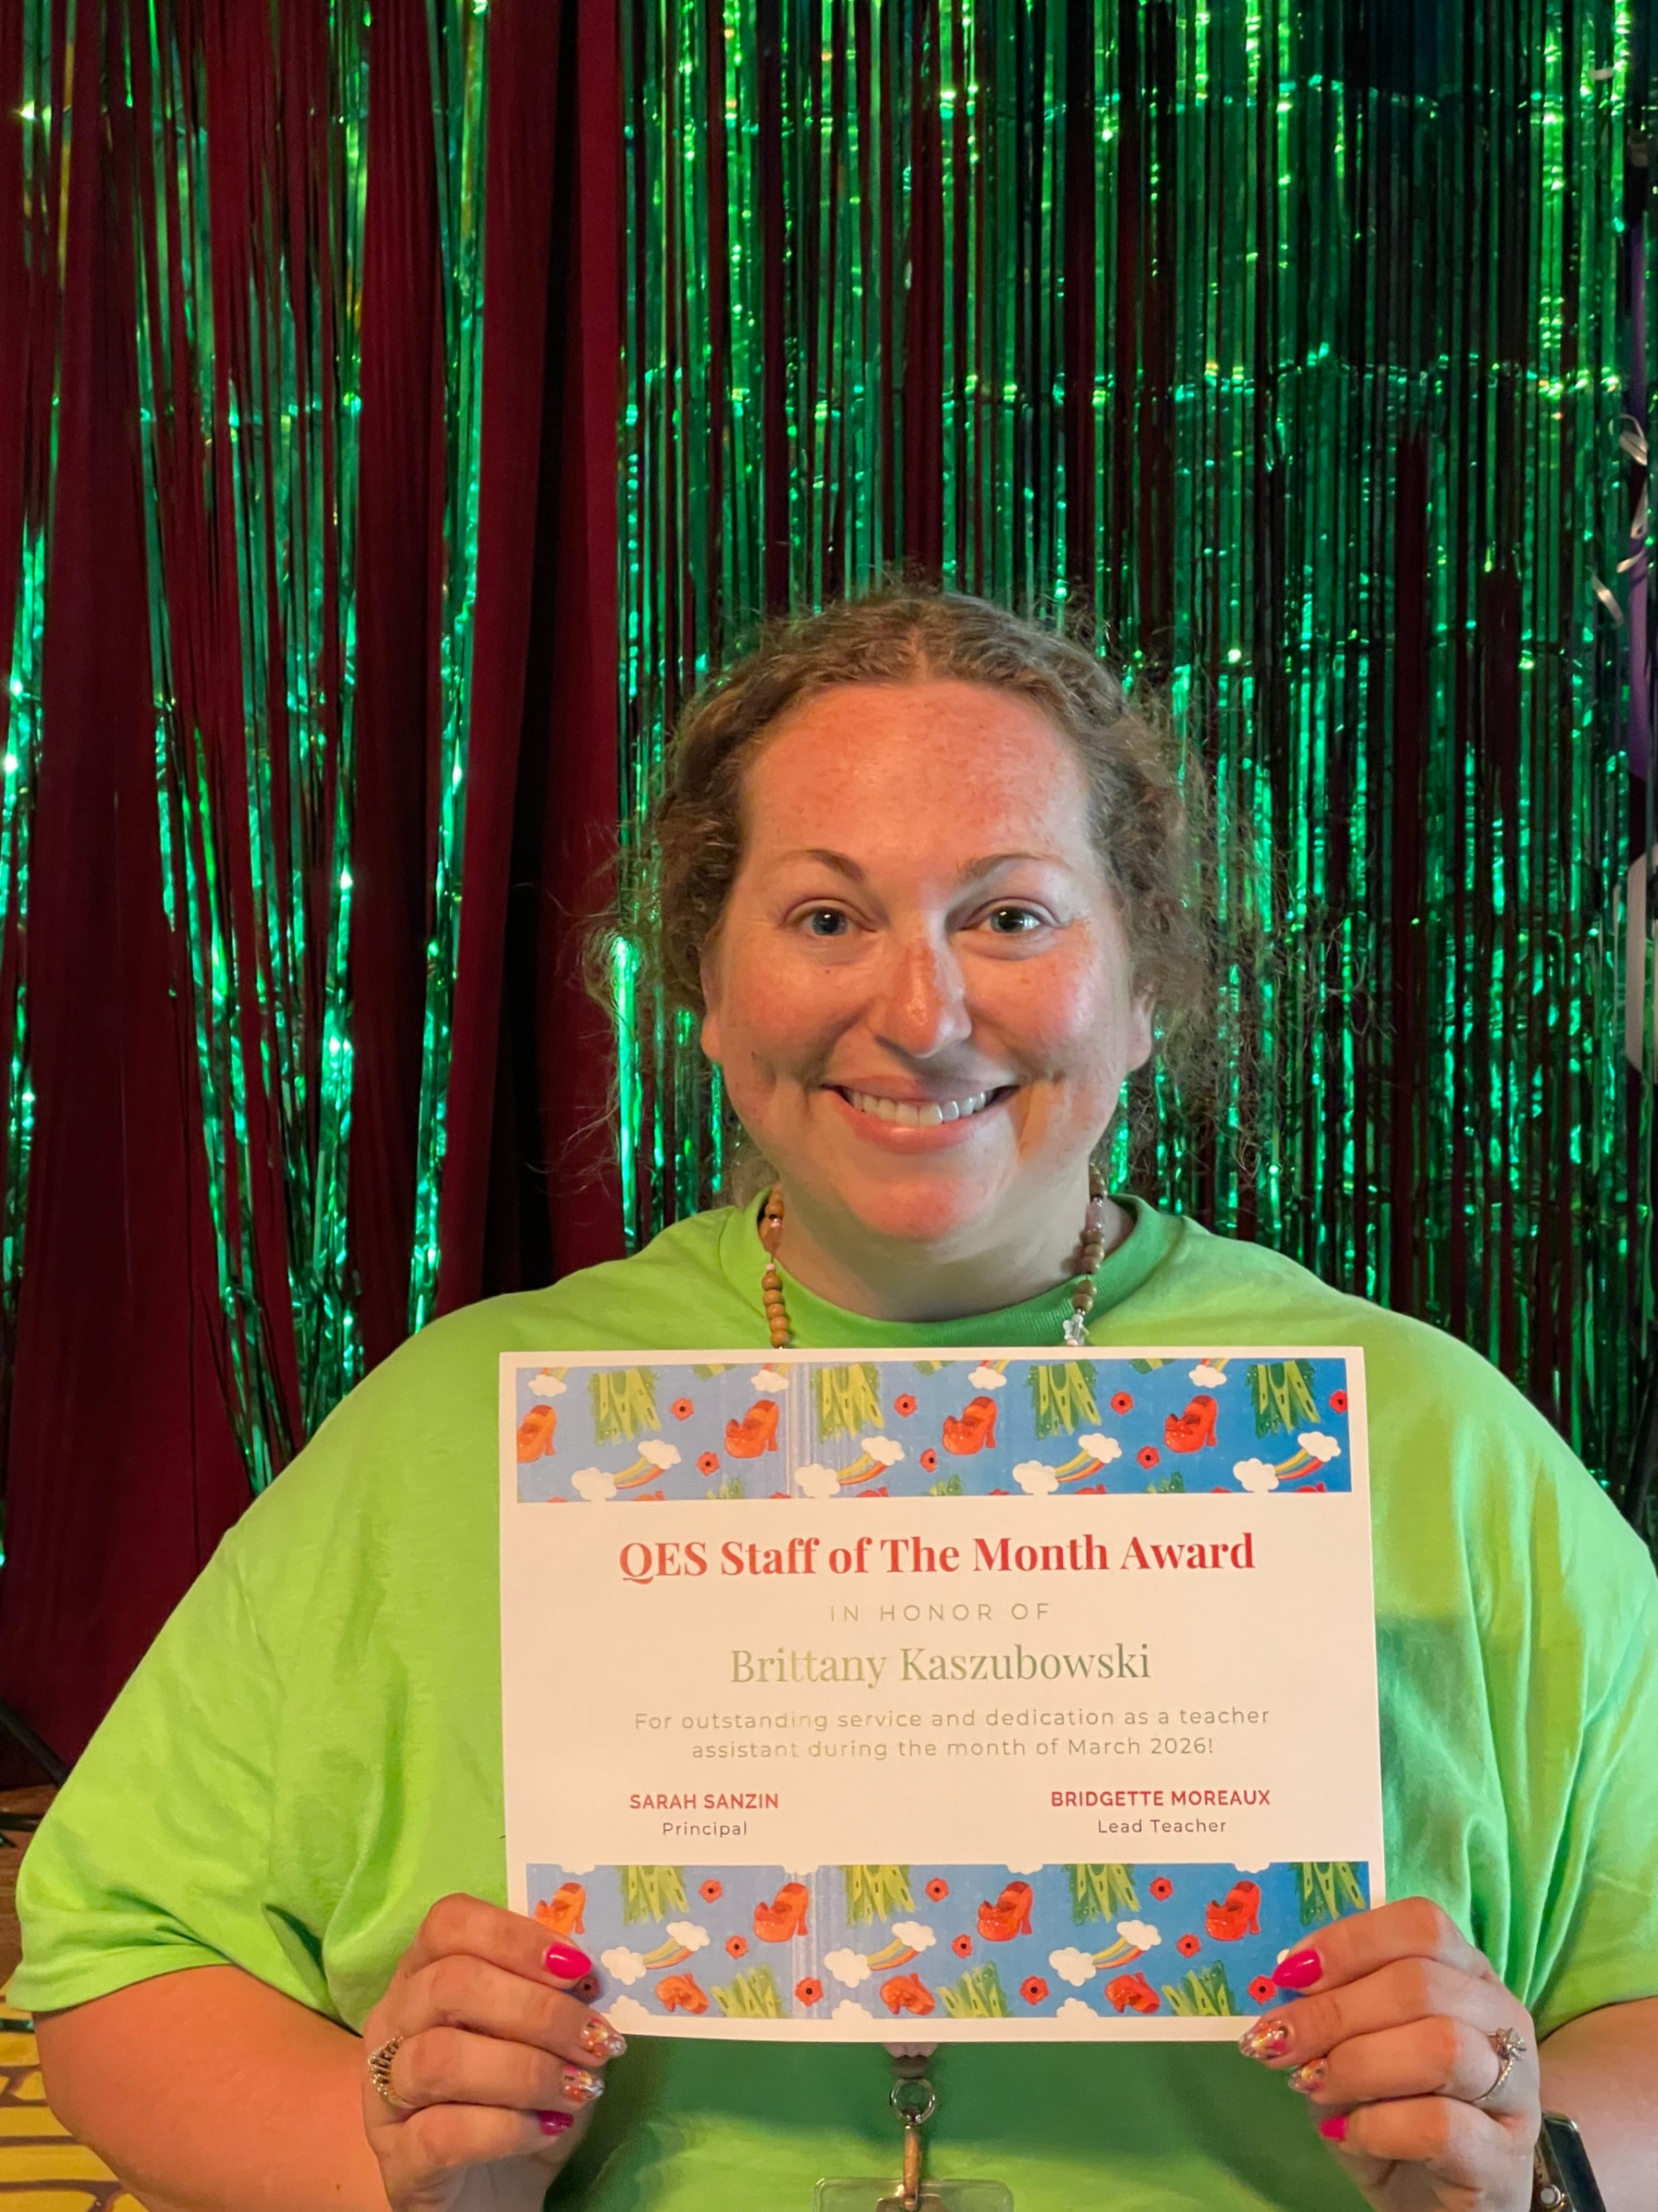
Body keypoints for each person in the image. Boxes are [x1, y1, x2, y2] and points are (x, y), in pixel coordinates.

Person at [16, 591, 1658, 2212]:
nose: (922, 1014)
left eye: (1010, 917)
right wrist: (389, 2160)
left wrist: (1541, 2165)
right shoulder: (461, 1425)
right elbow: (125, 1956)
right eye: (824, 919)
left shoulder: (1426, 1435)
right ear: (708, 993)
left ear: (1144, 987)